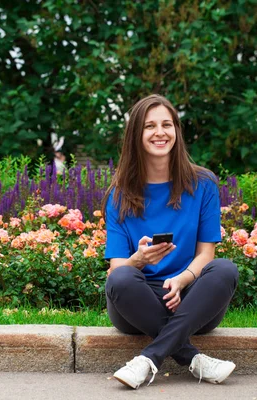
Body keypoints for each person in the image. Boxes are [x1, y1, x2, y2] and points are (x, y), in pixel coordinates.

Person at [102, 94, 239, 390]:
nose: (160, 132)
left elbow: (206, 254)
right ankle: (193, 358)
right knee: (123, 277)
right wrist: (138, 260)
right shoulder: (118, 195)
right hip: (136, 305)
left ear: (176, 131)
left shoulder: (204, 184)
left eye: (167, 124)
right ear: (136, 135)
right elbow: (116, 270)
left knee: (224, 269)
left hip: (191, 301)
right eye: (150, 126)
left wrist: (181, 279)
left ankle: (148, 359)